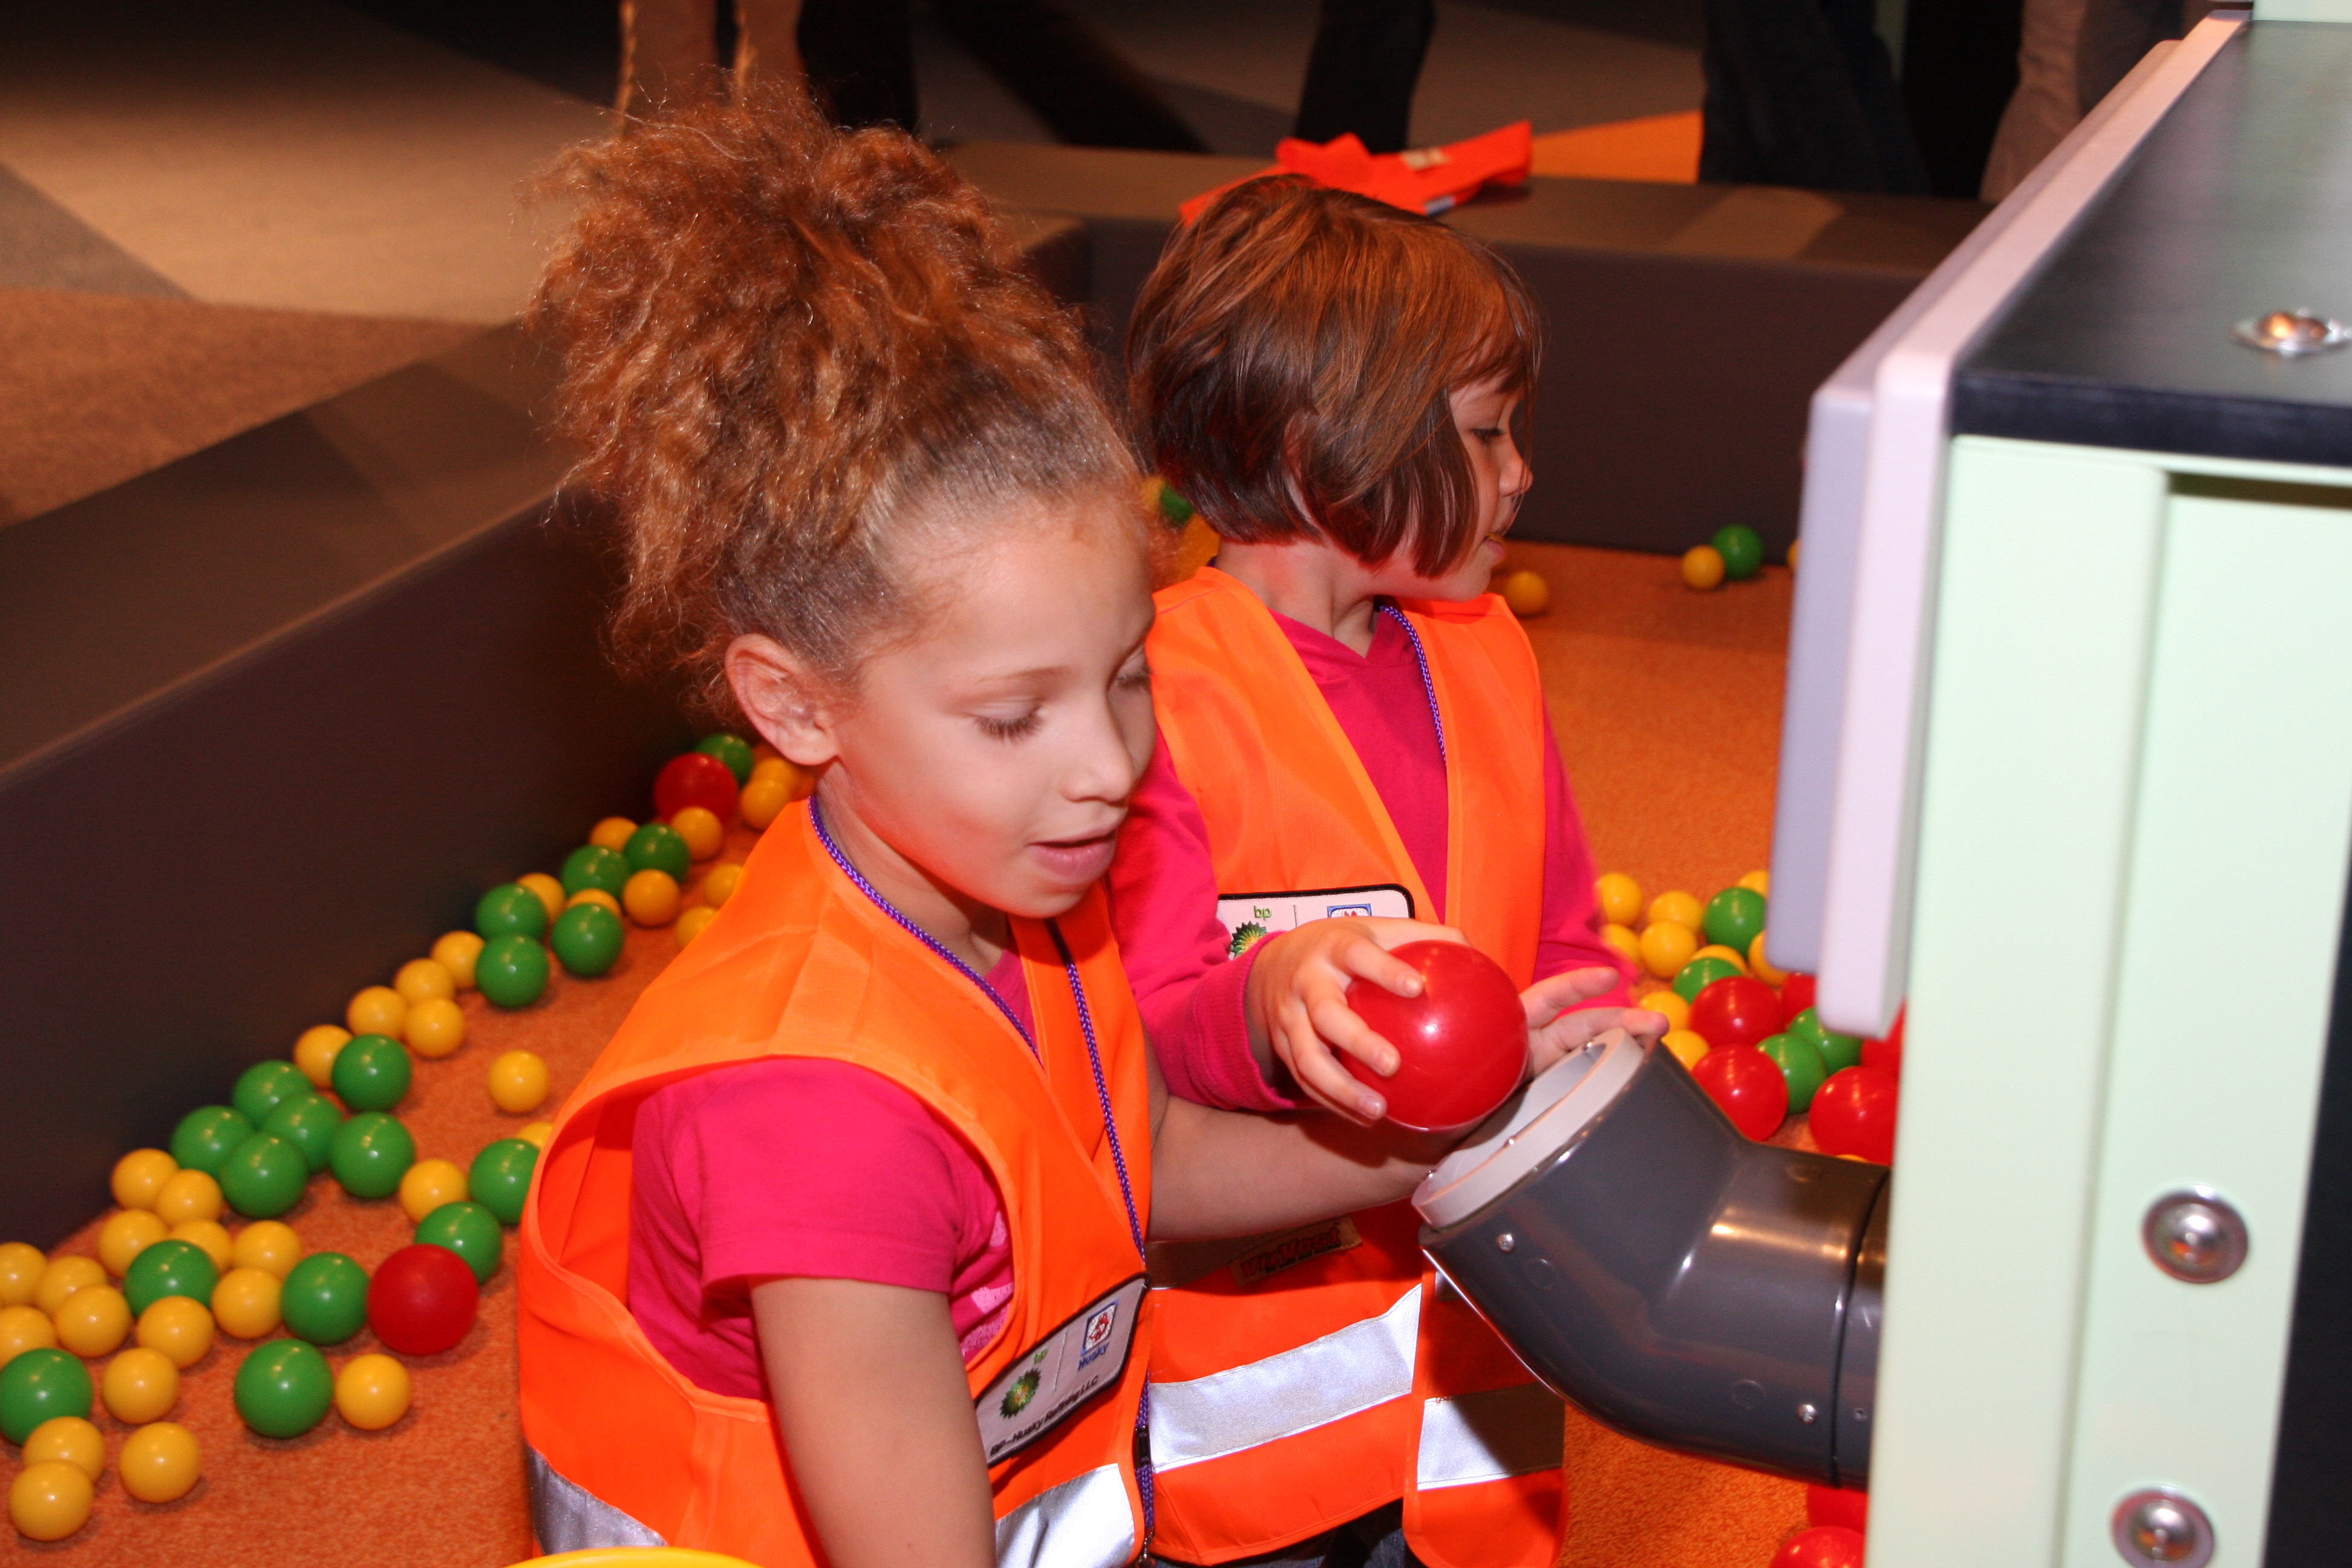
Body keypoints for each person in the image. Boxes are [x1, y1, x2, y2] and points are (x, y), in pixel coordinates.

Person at [515, 94, 1455, 1567]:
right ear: (794, 705)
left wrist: (1445, 1146)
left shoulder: (1017, 892)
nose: (1110, 768)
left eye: (1130, 675)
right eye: (1015, 719)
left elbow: (1136, 1166)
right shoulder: (819, 1116)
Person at [1111, 176, 1667, 1568]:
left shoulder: (1486, 651)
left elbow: (1559, 930)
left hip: (1478, 1377)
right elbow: (1147, 1031)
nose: (1522, 471)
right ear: (1318, 452)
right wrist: (1272, 1001)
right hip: (1256, 1449)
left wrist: (1593, 1031)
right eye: (1483, 435)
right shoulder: (1154, 691)